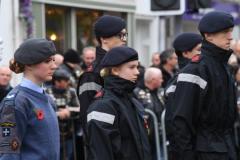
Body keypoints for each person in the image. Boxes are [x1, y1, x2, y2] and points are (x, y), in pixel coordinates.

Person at [168, 11, 238, 160]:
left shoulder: (224, 67)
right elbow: (181, 121)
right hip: (205, 152)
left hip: (227, 148)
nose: (230, 37)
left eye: (231, 31)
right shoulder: (196, 69)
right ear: (208, 35)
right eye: (225, 32)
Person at [87, 46, 152, 160]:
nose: (137, 72)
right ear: (115, 70)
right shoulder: (103, 105)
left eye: (137, 67)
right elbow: (101, 153)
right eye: (131, 67)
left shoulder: (131, 101)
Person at [0, 38, 59, 159]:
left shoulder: (47, 98)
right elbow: (8, 154)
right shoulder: (16, 102)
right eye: (48, 61)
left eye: (53, 60)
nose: (54, 66)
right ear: (29, 65)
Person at [77, 15, 127, 134]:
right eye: (120, 35)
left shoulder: (121, 65)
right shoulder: (93, 73)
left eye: (125, 35)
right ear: (104, 39)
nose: (124, 39)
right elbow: (88, 115)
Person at [46, 69, 80, 160]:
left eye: (67, 80)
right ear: (56, 81)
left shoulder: (72, 92)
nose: (66, 83)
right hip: (52, 134)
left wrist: (68, 112)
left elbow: (78, 109)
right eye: (63, 81)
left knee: (67, 157)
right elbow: (44, 110)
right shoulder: (46, 93)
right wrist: (57, 113)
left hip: (69, 132)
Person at [133, 67, 165, 159]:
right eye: (160, 78)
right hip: (146, 137)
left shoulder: (161, 91)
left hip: (162, 136)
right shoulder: (136, 93)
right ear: (153, 80)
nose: (162, 80)